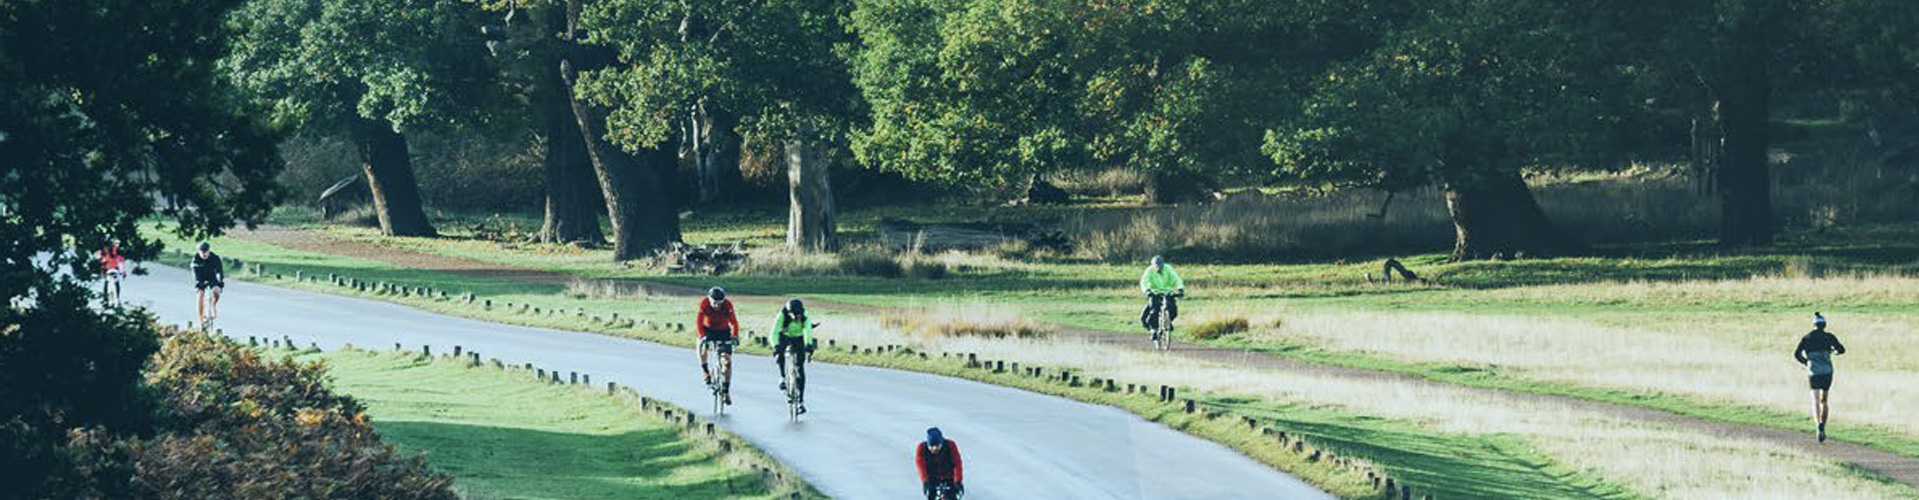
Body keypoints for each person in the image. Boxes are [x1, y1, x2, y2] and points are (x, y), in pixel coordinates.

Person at [1794, 312, 1847, 442]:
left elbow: (1797, 354)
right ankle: (1824, 424)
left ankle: (1818, 425)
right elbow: (1841, 349)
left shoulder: (1807, 337)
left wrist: (1806, 362)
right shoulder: (1829, 337)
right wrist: (1833, 352)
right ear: (1824, 325)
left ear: (1814, 325)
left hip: (1814, 371)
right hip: (1827, 371)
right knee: (1824, 400)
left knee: (1815, 400)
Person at [772, 298, 817, 414]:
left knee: (800, 369)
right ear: (789, 312)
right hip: (784, 336)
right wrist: (776, 347)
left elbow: (808, 330)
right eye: (794, 315)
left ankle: (801, 402)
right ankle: (782, 376)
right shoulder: (782, 315)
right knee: (779, 354)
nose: (797, 317)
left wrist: (808, 345)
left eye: (798, 314)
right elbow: (774, 333)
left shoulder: (804, 315)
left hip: (798, 337)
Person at [696, 287, 740, 405]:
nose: (717, 306)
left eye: (719, 303)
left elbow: (734, 322)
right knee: (701, 345)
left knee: (727, 362)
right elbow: (699, 322)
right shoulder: (704, 304)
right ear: (709, 299)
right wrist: (702, 336)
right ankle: (705, 371)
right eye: (714, 303)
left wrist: (735, 336)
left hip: (723, 331)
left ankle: (726, 390)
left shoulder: (727, 305)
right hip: (707, 330)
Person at [1138, 255, 1185, 333]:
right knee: (1154, 309)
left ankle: (1167, 321)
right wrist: (1147, 290)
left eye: (1160, 265)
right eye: (1156, 266)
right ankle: (1154, 328)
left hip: (1167, 292)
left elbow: (1177, 279)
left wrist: (1180, 289)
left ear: (1163, 264)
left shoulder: (1168, 269)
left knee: (1173, 310)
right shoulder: (1149, 271)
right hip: (1154, 292)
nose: (1158, 268)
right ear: (1152, 265)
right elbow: (1144, 281)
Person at [916, 427, 963, 499]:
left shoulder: (950, 445)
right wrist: (925, 481)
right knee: (931, 495)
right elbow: (921, 466)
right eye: (931, 446)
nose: (934, 449)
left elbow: (957, 464)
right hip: (932, 478)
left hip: (949, 477)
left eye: (937, 446)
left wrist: (958, 481)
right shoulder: (921, 448)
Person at [191, 241, 225, 327]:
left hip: (212, 278)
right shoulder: (195, 260)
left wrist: (220, 282)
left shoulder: (215, 258)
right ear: (199, 252)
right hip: (201, 278)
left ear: (209, 251)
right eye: (202, 252)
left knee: (216, 291)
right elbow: (195, 274)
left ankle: (213, 305)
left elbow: (219, 272)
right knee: (201, 295)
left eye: (206, 252)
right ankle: (201, 319)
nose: (204, 254)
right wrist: (198, 283)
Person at [100, 239, 127, 305]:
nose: (117, 245)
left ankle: (105, 298)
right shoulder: (117, 252)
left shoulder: (104, 251)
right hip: (114, 269)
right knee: (116, 283)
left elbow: (102, 261)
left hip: (108, 269)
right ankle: (117, 297)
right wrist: (123, 272)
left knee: (106, 284)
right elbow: (121, 262)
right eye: (116, 243)